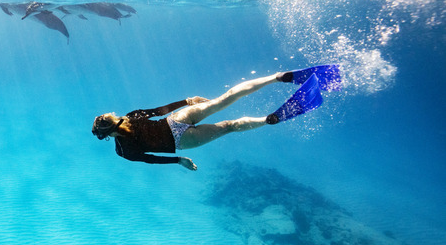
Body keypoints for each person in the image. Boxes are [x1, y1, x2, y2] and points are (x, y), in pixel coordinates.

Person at [91, 65, 341, 170]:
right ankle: (277, 77)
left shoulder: (122, 151)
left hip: (182, 140)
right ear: (113, 119)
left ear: (106, 136)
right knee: (225, 98)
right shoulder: (131, 116)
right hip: (176, 119)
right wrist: (187, 101)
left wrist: (179, 161)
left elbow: (151, 159)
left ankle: (269, 120)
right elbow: (160, 111)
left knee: (230, 126)